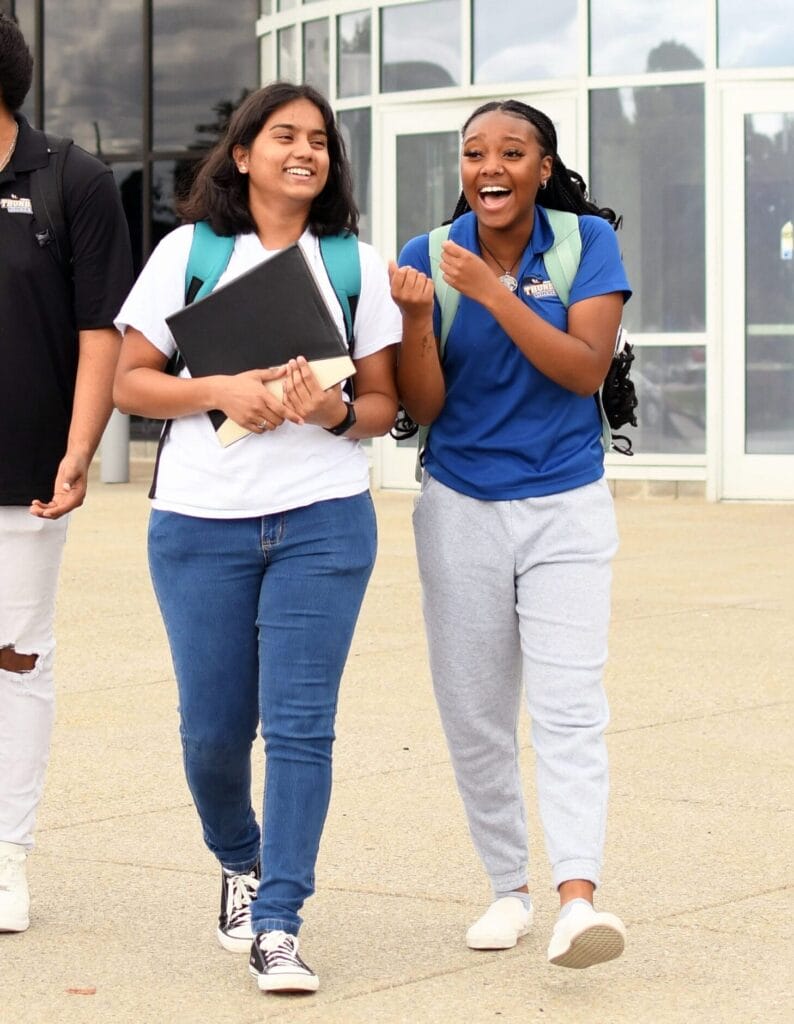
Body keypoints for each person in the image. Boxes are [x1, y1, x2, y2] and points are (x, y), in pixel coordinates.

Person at [113, 82, 400, 995]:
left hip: (324, 521)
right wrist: (219, 390)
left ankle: (280, 921)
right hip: (200, 526)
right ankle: (238, 859)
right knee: (211, 734)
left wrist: (334, 410)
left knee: (302, 731)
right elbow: (129, 383)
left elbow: (386, 405)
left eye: (319, 139)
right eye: (284, 135)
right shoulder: (188, 254)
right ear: (243, 154)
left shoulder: (353, 262)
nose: (305, 150)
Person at [389, 99, 631, 969]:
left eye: (512, 152)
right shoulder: (427, 254)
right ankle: (508, 890)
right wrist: (421, 319)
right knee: (476, 716)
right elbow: (426, 406)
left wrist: (492, 292)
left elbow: (582, 370)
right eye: (475, 153)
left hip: (567, 503)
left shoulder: (583, 243)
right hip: (459, 505)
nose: (491, 167)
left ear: (541, 166)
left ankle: (577, 899)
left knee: (570, 709)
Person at [0, 13, 133, 933]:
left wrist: (81, 449)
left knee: (14, 665)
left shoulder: (69, 180)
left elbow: (102, 332)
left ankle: (6, 858)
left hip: (25, 476)